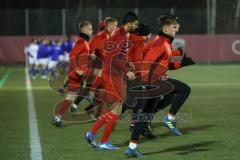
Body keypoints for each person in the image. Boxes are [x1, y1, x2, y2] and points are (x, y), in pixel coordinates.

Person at [124, 14, 194, 157]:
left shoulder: (164, 42)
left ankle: (131, 148)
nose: (176, 29)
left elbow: (165, 65)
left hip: (154, 81)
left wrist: (182, 63)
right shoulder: (161, 43)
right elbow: (148, 62)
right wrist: (145, 83)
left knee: (144, 116)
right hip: (154, 82)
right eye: (174, 27)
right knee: (184, 90)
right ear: (166, 28)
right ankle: (169, 118)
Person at [84, 11, 138, 150]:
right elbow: (114, 58)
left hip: (111, 74)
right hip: (113, 75)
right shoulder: (120, 35)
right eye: (136, 24)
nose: (136, 27)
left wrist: (127, 64)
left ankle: (91, 134)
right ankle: (104, 142)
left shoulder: (118, 34)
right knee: (116, 110)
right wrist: (127, 71)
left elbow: (117, 56)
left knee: (110, 109)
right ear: (130, 23)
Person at [52, 21, 93, 127]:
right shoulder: (81, 41)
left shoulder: (84, 41)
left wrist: (89, 57)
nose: (92, 30)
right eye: (90, 28)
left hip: (81, 74)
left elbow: (81, 57)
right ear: (84, 30)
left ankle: (59, 117)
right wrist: (77, 69)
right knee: (71, 97)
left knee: (78, 94)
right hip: (77, 75)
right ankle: (58, 117)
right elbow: (72, 55)